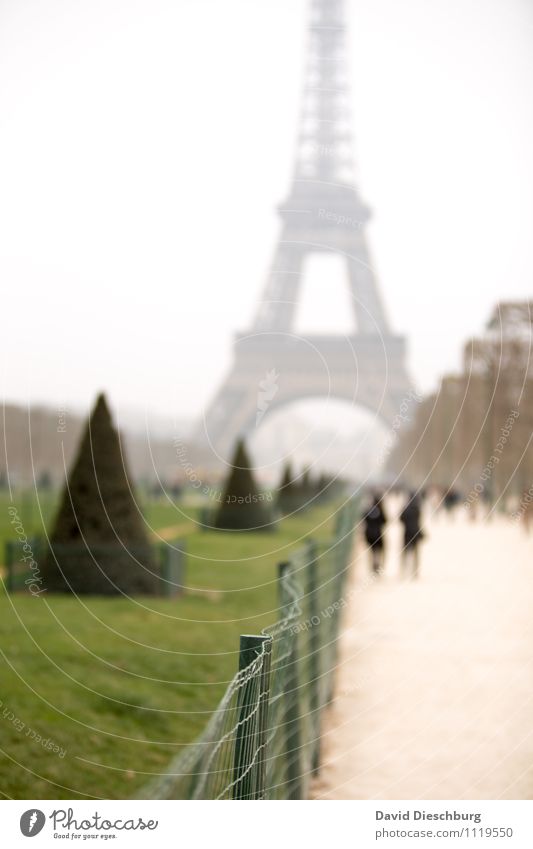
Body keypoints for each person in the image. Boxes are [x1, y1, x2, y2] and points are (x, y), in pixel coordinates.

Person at [400, 491, 424, 579]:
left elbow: (401, 519)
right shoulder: (417, 508)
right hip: (415, 532)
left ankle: (404, 569)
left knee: (406, 552)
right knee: (415, 553)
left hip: (407, 533)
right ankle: (415, 570)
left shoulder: (406, 508)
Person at [363, 493, 387, 576]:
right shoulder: (381, 510)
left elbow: (364, 519)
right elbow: (385, 521)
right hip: (378, 534)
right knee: (378, 551)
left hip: (369, 534)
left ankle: (373, 565)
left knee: (372, 550)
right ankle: (377, 565)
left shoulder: (368, 510)